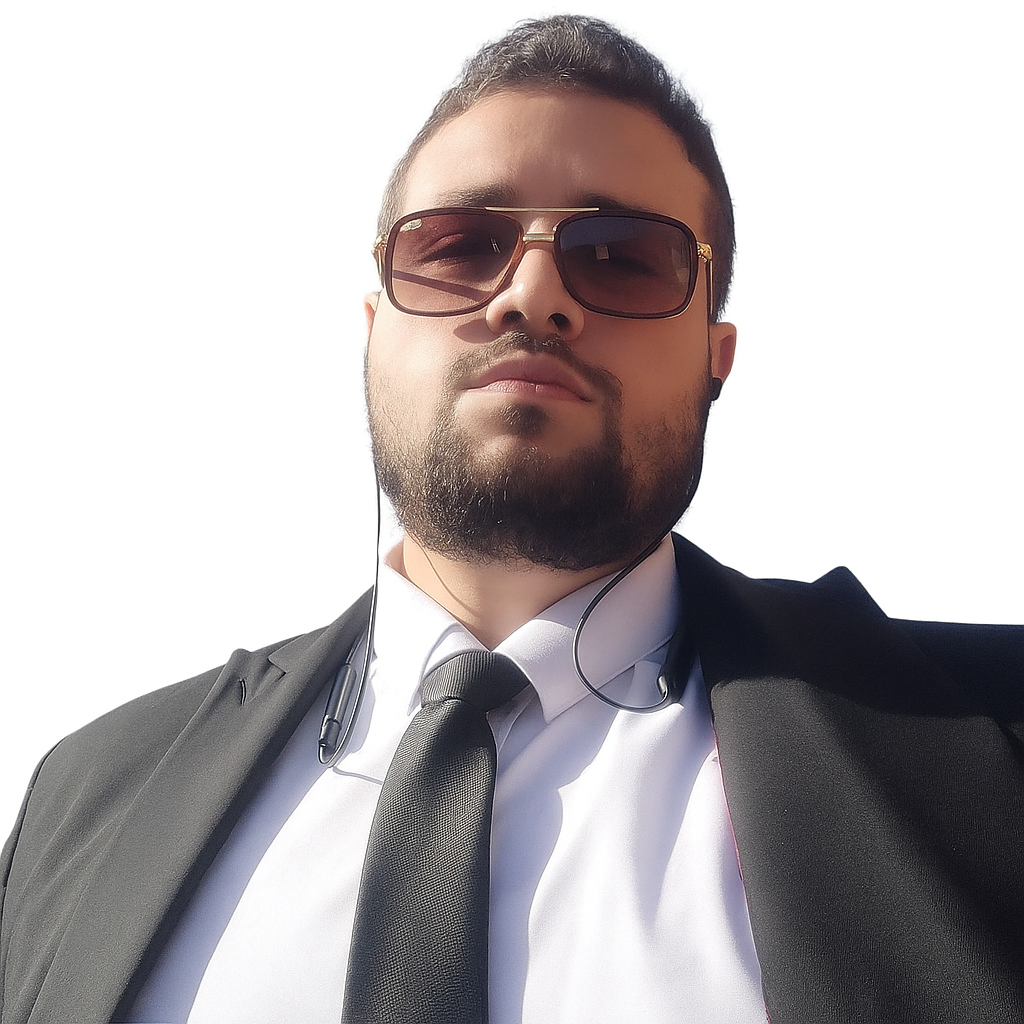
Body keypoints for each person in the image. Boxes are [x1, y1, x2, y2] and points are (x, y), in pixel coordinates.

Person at [1, 14, 1021, 1024]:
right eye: (459, 245)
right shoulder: (86, 800)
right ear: (373, 328)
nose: (531, 295)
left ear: (716, 358)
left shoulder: (995, 746)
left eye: (621, 256)